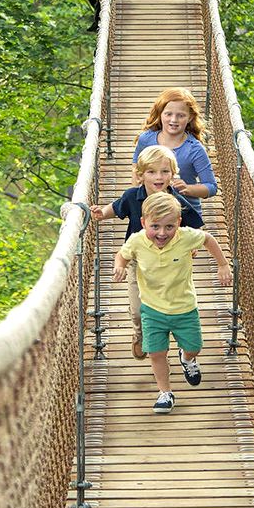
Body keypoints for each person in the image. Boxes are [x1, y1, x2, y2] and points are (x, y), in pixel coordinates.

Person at [113, 191, 231, 414]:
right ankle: (165, 393)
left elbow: (208, 239)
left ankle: (187, 359)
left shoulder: (186, 237)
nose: (162, 233)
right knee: (156, 353)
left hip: (184, 307)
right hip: (152, 309)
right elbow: (122, 254)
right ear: (143, 223)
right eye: (155, 226)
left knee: (194, 347)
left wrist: (222, 264)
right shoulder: (137, 240)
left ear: (179, 222)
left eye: (169, 227)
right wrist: (119, 266)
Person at [91, 145, 203, 359]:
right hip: (138, 260)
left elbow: (194, 225)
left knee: (169, 303)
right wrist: (102, 213)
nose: (158, 177)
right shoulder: (133, 196)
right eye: (151, 172)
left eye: (164, 171)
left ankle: (167, 339)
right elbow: (116, 207)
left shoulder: (176, 201)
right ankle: (140, 333)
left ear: (173, 174)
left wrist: (192, 246)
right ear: (141, 175)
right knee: (137, 310)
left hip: (170, 262)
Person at [134, 87, 217, 218]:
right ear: (160, 114)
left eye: (181, 115)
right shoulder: (146, 139)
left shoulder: (194, 149)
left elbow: (211, 187)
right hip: (151, 212)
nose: (174, 120)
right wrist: (135, 202)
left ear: (190, 117)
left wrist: (187, 189)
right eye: (168, 114)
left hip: (185, 214)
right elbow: (136, 171)